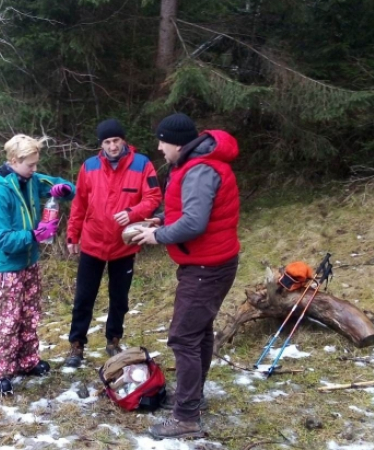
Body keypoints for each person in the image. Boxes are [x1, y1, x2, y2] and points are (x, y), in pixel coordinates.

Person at [132, 113, 240, 439]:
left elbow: (195, 223)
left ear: (176, 143)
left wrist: (157, 236)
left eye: (162, 141)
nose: (159, 147)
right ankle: (193, 398)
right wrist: (159, 220)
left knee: (183, 337)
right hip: (208, 263)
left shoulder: (201, 169)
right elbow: (186, 210)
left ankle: (186, 418)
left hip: (207, 267)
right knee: (199, 333)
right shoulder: (195, 164)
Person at [0, 134, 76, 395]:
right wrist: (35, 235)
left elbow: (65, 186)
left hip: (29, 262)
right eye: (31, 165)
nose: (35, 170)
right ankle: (0, 371)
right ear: (14, 160)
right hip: (6, 268)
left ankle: (27, 361)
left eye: (36, 164)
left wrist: (63, 190)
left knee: (29, 314)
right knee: (7, 320)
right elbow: (2, 239)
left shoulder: (31, 180)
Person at [64, 119, 163, 367]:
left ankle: (113, 341)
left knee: (119, 298)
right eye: (107, 142)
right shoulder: (89, 167)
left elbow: (153, 197)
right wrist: (72, 235)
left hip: (124, 244)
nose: (112, 146)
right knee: (84, 297)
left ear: (123, 140)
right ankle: (76, 346)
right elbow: (79, 204)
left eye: (116, 140)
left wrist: (133, 212)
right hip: (92, 242)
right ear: (101, 144)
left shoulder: (142, 164)